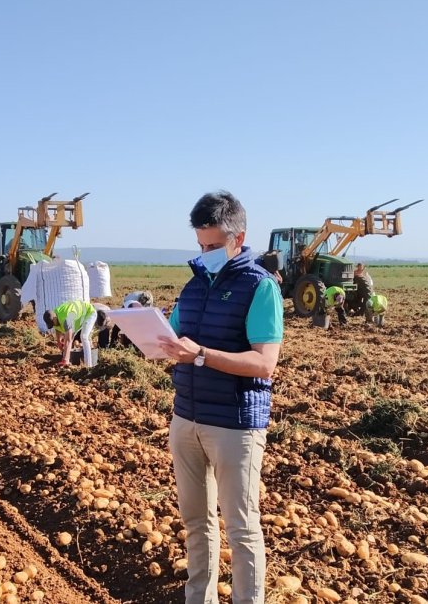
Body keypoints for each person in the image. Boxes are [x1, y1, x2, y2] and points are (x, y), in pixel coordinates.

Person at [157, 191, 283, 604]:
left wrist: (203, 356)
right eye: (200, 245)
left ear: (237, 238)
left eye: (212, 245)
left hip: (234, 425)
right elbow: (174, 338)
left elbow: (264, 364)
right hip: (186, 418)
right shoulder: (193, 286)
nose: (205, 252)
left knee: (242, 528)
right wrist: (153, 339)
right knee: (196, 522)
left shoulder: (259, 287)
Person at [44, 300, 98, 368]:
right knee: (71, 337)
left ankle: (88, 365)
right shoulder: (54, 316)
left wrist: (65, 360)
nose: (53, 325)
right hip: (78, 317)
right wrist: (58, 341)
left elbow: (68, 340)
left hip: (89, 312)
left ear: (55, 318)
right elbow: (57, 328)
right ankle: (66, 359)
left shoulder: (66, 318)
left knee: (83, 336)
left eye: (52, 323)